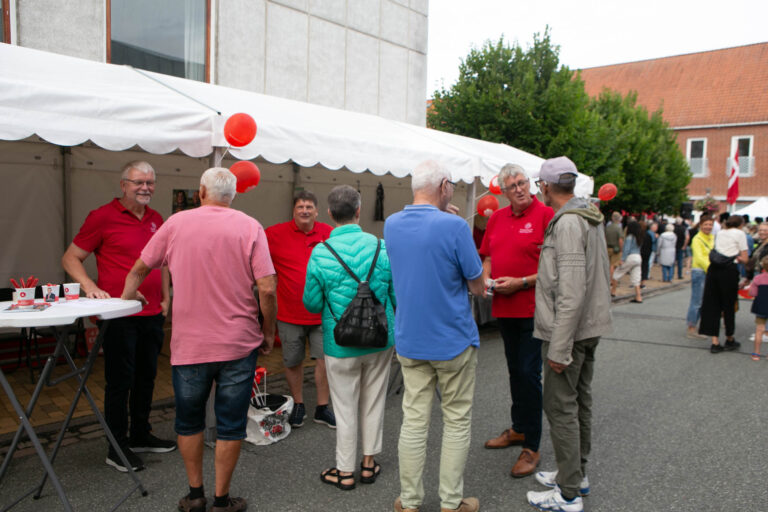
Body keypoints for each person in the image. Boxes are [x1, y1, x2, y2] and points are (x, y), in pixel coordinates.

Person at [121, 167, 277, 512]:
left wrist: (131, 300)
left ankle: (195, 496)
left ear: (201, 191)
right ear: (233, 196)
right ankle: (222, 500)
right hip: (238, 344)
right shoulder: (250, 226)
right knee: (231, 423)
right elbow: (267, 287)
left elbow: (138, 269)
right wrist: (268, 332)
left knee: (188, 421)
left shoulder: (176, 224)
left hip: (190, 346)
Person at [385, 160, 484, 512]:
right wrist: (450, 220)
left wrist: (445, 214)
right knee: (455, 420)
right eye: (452, 185)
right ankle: (450, 502)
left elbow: (422, 236)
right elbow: (477, 283)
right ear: (443, 185)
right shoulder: (455, 227)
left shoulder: (392, 225)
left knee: (414, 421)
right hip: (452, 339)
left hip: (411, 338)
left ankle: (409, 502)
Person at [61, 160, 174, 472]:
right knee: (120, 381)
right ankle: (117, 445)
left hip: (151, 312)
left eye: (150, 182)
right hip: (117, 313)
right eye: (139, 182)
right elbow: (71, 257)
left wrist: (166, 296)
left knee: (147, 377)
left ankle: (140, 434)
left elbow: (161, 262)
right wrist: (90, 287)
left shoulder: (156, 218)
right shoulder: (102, 217)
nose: (145, 188)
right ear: (123, 184)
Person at [526, 156, 612, 512]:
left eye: (537, 186)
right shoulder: (589, 216)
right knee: (580, 402)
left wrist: (559, 348)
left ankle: (568, 493)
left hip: (571, 333)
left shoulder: (568, 223)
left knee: (561, 407)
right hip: (589, 327)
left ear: (545, 186)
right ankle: (574, 474)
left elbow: (571, 290)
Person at [303, 185, 396, 491]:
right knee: (373, 402)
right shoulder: (382, 248)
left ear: (329, 214)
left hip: (339, 342)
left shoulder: (320, 252)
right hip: (380, 339)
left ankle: (345, 472)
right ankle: (368, 465)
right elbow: (395, 297)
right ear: (359, 211)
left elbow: (312, 304)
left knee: (343, 407)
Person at [479, 163, 554, 478]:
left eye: (523, 182)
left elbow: (555, 266)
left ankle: (532, 445)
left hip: (533, 307)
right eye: (513, 186)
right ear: (505, 191)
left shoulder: (547, 216)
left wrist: (522, 281)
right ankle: (520, 428)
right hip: (504, 307)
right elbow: (488, 256)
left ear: (531, 184)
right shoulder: (496, 217)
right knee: (514, 372)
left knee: (528, 374)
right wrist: (485, 278)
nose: (520, 189)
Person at [265, 191, 335, 429]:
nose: (304, 210)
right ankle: (299, 404)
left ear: (317, 211)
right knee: (292, 361)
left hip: (322, 314)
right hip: (288, 315)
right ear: (293, 211)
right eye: (300, 207)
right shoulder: (274, 234)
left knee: (324, 361)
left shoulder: (329, 234)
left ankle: (322, 407)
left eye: (309, 207)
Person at [699, 215, 749, 353]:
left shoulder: (720, 233)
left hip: (714, 269)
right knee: (728, 304)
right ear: (741, 224)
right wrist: (739, 258)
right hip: (729, 270)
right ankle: (729, 337)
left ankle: (714, 341)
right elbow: (745, 258)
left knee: (713, 304)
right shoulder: (740, 234)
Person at [686, 215, 714, 339]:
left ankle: (700, 327)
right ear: (701, 225)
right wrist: (711, 269)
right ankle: (691, 328)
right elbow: (699, 257)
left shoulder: (712, 238)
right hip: (699, 271)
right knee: (697, 301)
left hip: (709, 270)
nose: (708, 227)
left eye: (710, 225)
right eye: (706, 224)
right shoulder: (697, 239)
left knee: (704, 302)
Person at [611, 220, 644, 302]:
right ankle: (639, 296)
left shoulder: (629, 237)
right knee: (636, 278)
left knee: (616, 274)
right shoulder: (639, 237)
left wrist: (622, 260)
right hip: (638, 257)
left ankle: (613, 291)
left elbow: (626, 249)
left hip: (630, 257)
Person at [749, 256, 768, 361]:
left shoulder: (758, 278)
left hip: (760, 307)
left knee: (759, 330)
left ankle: (756, 353)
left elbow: (753, 293)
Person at [605, 212, 624, 282]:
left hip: (607, 248)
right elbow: (620, 240)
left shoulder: (608, 227)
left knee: (608, 265)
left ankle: (607, 279)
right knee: (613, 265)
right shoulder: (618, 228)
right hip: (616, 249)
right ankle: (612, 280)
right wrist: (621, 249)